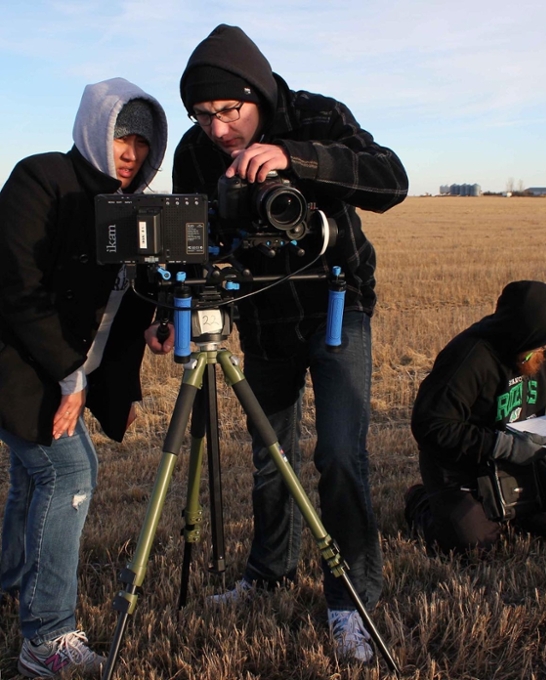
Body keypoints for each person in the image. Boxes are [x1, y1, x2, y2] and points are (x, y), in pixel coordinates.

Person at [155, 23, 408, 663]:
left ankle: (351, 602)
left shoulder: (317, 115)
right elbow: (190, 242)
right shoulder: (194, 153)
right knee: (272, 457)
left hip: (336, 304)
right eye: (202, 115)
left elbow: (391, 180)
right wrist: (167, 307)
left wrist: (294, 158)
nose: (217, 130)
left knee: (340, 456)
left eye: (228, 111)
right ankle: (267, 573)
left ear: (258, 93)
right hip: (261, 318)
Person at [0, 78, 167, 678]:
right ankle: (46, 637)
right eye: (122, 136)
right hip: (19, 362)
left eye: (143, 143)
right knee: (68, 470)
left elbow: (129, 301)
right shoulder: (41, 179)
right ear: (96, 130)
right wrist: (71, 376)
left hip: (65, 370)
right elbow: (16, 287)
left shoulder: (133, 209)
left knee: (31, 475)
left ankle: (13, 584)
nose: (132, 152)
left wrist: (155, 333)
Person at [407, 281, 546, 556]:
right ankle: (421, 502)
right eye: (544, 341)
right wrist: (503, 446)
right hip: (462, 465)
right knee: (472, 548)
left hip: (520, 462)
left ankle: (515, 507)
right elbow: (431, 425)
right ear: (524, 337)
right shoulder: (470, 357)